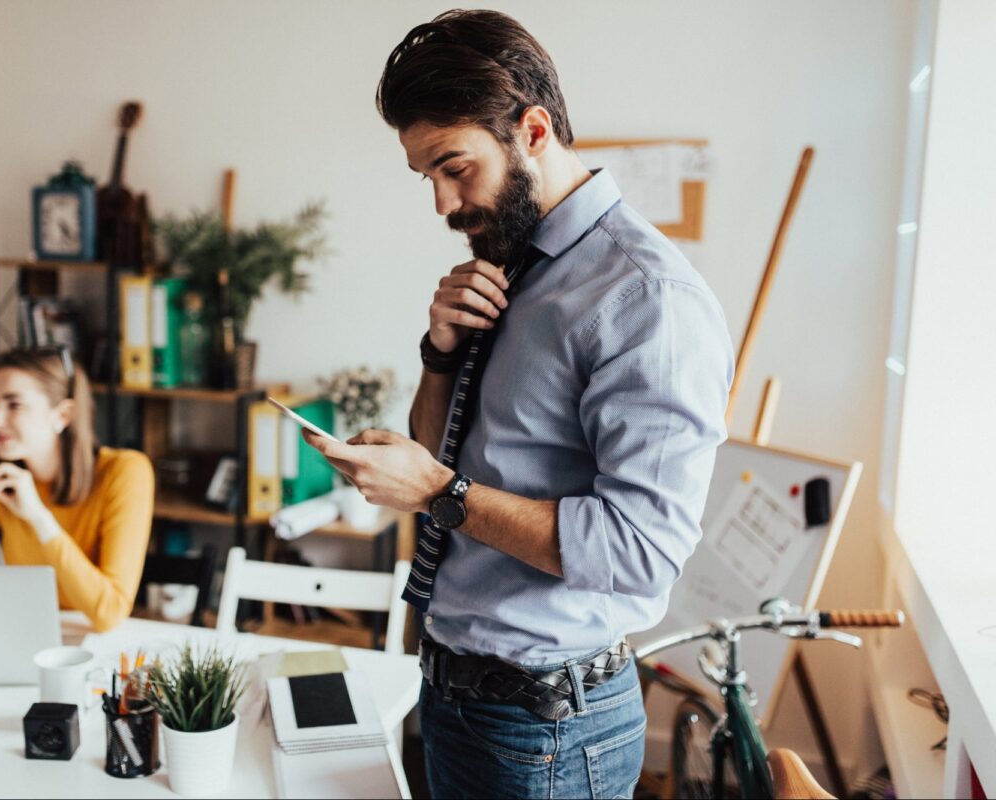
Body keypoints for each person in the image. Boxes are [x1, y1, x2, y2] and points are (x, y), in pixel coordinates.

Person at [300, 10, 735, 799]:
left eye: (454, 167)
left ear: (533, 130)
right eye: (425, 175)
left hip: (548, 731)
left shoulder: (646, 297)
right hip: (456, 697)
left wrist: (437, 494)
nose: (440, 203)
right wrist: (439, 357)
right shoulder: (515, 265)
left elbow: (639, 548)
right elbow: (443, 454)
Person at [0, 347, 154, 633]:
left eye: (14, 405)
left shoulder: (125, 472)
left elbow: (109, 612)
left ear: (63, 415)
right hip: (26, 631)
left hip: (89, 642)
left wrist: (39, 517)